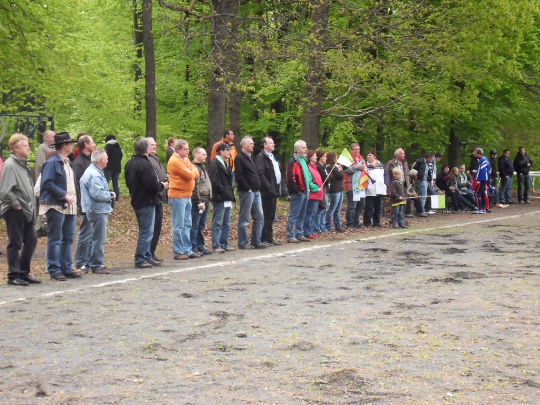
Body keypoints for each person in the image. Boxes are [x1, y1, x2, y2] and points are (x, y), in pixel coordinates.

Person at [40, 132, 82, 281]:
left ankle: (66, 267)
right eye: (70, 143)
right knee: (55, 238)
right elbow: (47, 183)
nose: (72, 146)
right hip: (56, 205)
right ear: (64, 145)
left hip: (69, 206)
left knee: (68, 237)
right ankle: (54, 268)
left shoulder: (67, 162)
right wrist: (64, 195)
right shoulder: (52, 162)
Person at [0, 133, 40, 286]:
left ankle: (24, 272)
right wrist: (16, 205)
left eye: (28, 144)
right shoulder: (10, 165)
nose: (28, 147)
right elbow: (5, 191)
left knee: (31, 240)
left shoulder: (22, 165)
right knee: (15, 242)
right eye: (25, 145)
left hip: (26, 209)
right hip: (15, 210)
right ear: (15, 148)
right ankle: (13, 275)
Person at [125, 138, 167, 268]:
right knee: (147, 231)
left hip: (137, 198)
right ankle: (140, 257)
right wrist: (162, 186)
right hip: (147, 200)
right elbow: (151, 184)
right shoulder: (144, 164)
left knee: (147, 230)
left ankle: (147, 255)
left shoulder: (129, 163)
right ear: (146, 149)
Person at [79, 150, 114, 274]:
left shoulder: (91, 172)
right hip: (97, 209)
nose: (108, 160)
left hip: (93, 208)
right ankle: (96, 264)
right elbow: (97, 193)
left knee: (93, 237)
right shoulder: (95, 175)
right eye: (107, 158)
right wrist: (110, 194)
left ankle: (89, 262)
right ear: (102, 160)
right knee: (99, 238)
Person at [167, 139, 201, 260]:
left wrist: (191, 171)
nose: (188, 151)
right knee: (178, 225)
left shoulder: (185, 160)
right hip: (178, 196)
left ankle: (187, 249)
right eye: (185, 149)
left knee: (188, 224)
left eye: (188, 148)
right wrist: (191, 171)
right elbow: (189, 175)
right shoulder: (175, 161)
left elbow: (195, 171)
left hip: (187, 196)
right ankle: (178, 251)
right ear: (178, 149)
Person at [234, 136, 266, 250]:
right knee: (245, 217)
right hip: (247, 192)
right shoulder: (239, 158)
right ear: (244, 145)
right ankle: (243, 242)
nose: (253, 145)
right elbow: (239, 175)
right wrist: (247, 188)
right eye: (250, 143)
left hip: (256, 191)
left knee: (259, 216)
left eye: (253, 143)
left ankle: (256, 241)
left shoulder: (250, 158)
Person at [286, 140, 319, 243]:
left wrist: (311, 186)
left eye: (306, 147)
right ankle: (290, 235)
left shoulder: (304, 160)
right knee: (294, 214)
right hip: (298, 191)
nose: (306, 149)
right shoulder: (293, 161)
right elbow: (291, 178)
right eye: (304, 148)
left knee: (302, 214)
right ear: (297, 149)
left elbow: (307, 175)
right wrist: (297, 190)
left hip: (305, 190)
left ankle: (299, 234)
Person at [72, 134, 96, 272]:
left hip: (91, 202)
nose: (94, 144)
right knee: (85, 232)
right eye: (92, 142)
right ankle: (80, 260)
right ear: (86, 145)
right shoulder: (79, 163)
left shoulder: (89, 161)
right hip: (84, 202)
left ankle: (88, 260)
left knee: (91, 233)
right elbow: (78, 185)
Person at [255, 136, 283, 246]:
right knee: (266, 214)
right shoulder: (260, 157)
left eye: (273, 142)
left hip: (274, 189)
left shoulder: (272, 157)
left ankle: (269, 238)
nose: (273, 144)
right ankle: (263, 238)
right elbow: (260, 173)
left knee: (271, 215)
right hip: (266, 191)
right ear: (264, 145)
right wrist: (268, 186)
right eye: (271, 143)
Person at [209, 143, 236, 253]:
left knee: (226, 222)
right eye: (227, 150)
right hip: (220, 197)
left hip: (227, 196)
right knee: (218, 222)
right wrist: (224, 191)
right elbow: (215, 181)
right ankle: (216, 244)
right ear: (221, 151)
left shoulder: (224, 163)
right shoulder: (215, 163)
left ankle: (224, 243)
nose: (229, 152)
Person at [147, 137, 168, 262]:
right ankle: (148, 252)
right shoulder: (147, 160)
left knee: (158, 226)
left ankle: (152, 251)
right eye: (151, 145)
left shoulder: (155, 159)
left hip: (160, 196)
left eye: (155, 144)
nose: (154, 147)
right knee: (151, 226)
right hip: (153, 196)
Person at [191, 147, 213, 255]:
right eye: (203, 154)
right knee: (195, 224)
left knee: (201, 225)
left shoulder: (202, 167)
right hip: (199, 200)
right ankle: (193, 247)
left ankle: (200, 246)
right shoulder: (194, 168)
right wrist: (198, 201)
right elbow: (195, 187)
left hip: (206, 199)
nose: (206, 156)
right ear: (196, 155)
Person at [343, 143, 365, 228]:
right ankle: (350, 223)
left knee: (360, 204)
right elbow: (346, 170)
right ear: (351, 150)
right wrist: (357, 167)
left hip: (361, 185)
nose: (357, 151)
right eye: (355, 149)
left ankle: (356, 222)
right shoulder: (347, 159)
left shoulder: (361, 158)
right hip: (351, 184)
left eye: (358, 149)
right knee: (352, 205)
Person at [363, 151, 388, 227]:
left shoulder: (381, 165)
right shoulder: (365, 166)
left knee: (378, 206)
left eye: (370, 155)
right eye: (367, 155)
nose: (368, 157)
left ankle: (376, 222)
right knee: (369, 206)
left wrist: (386, 184)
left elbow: (385, 175)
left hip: (380, 188)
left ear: (375, 156)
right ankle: (367, 222)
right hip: (370, 189)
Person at [303, 150, 324, 239]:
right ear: (310, 157)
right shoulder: (309, 168)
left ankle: (310, 230)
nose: (316, 157)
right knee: (309, 213)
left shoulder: (314, 167)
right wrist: (315, 188)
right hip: (313, 194)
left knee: (313, 213)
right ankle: (307, 231)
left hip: (317, 194)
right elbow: (309, 181)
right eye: (314, 156)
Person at [324, 152, 345, 232]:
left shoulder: (336, 166)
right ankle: (328, 224)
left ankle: (338, 224)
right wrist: (342, 170)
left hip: (340, 188)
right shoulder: (330, 167)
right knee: (332, 208)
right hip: (335, 189)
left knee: (338, 209)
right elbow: (340, 175)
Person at [104, 134, 123, 202]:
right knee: (115, 183)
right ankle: (116, 198)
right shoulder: (118, 146)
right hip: (117, 167)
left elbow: (105, 155)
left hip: (108, 167)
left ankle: (105, 197)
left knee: (105, 182)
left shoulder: (108, 146)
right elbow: (121, 156)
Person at [314, 150, 329, 234]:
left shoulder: (323, 167)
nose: (326, 158)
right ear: (320, 157)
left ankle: (322, 226)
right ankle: (317, 227)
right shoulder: (318, 167)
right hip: (321, 189)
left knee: (324, 209)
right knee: (321, 209)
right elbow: (324, 178)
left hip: (325, 189)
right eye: (324, 156)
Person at [473, 148, 490, 214]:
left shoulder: (483, 160)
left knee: (477, 194)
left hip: (482, 180)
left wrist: (479, 180)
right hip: (483, 179)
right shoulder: (482, 160)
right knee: (482, 194)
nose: (474, 155)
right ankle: (483, 208)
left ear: (478, 153)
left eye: (475, 154)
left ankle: (480, 208)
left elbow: (483, 171)